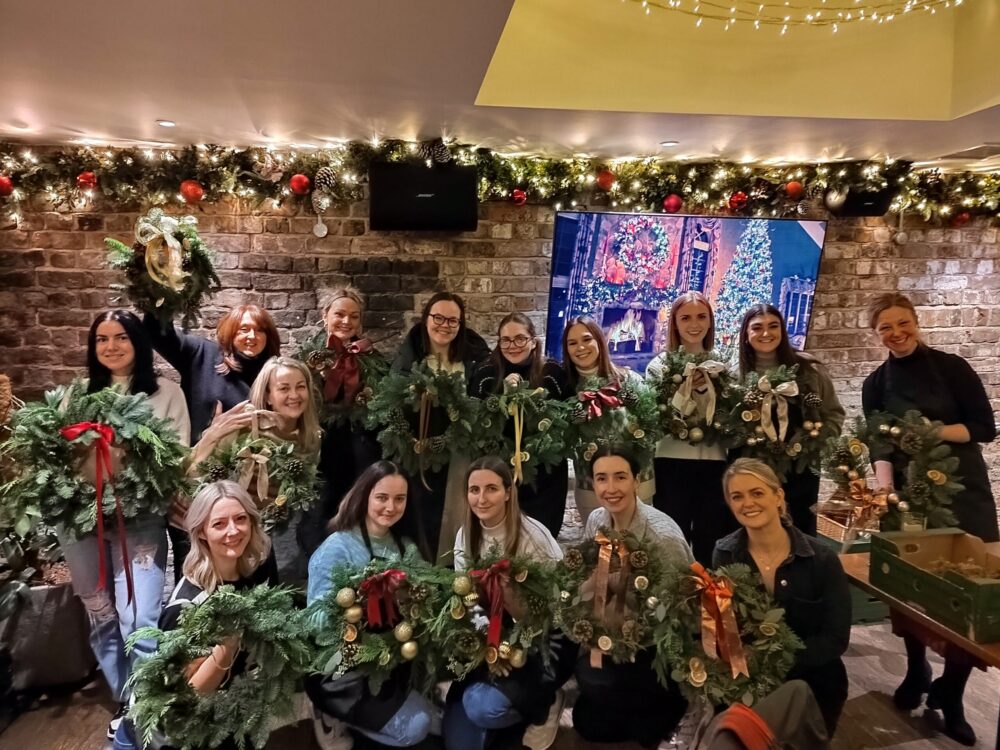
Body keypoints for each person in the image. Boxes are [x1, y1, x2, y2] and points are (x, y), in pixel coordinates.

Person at [863, 292, 998, 746]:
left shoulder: (953, 368)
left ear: (916, 323)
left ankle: (954, 693)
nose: (896, 333)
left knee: (965, 589)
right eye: (886, 327)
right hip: (910, 497)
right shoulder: (876, 383)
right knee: (909, 588)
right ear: (876, 333)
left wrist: (928, 433)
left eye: (903, 323)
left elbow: (984, 427)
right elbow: (879, 443)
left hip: (964, 493)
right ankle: (916, 665)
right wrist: (884, 490)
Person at [59, 310, 190, 741]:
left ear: (138, 343)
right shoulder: (76, 395)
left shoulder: (167, 392)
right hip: (81, 521)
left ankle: (144, 708)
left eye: (121, 338)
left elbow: (175, 455)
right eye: (101, 339)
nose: (111, 347)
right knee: (100, 610)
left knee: (141, 614)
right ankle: (126, 695)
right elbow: (58, 455)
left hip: (140, 518)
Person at [113, 480, 277, 750]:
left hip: (220, 713)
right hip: (171, 734)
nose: (233, 531)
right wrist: (228, 645)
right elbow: (187, 695)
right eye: (219, 524)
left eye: (240, 519)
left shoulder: (248, 577)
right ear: (201, 532)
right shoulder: (188, 605)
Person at [713, 458, 851, 737]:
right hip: (746, 677)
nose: (747, 503)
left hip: (812, 677)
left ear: (778, 496)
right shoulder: (724, 555)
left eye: (757, 493)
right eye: (737, 497)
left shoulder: (822, 560)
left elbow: (835, 639)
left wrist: (776, 662)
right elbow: (722, 625)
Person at [143, 304, 280, 579]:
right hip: (196, 489)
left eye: (259, 330)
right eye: (244, 329)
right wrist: (163, 287)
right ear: (230, 333)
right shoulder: (202, 354)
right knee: (199, 576)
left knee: (256, 573)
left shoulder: (273, 375)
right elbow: (157, 332)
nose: (252, 336)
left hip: (248, 494)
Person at [306, 461, 435, 749]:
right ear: (364, 496)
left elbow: (427, 596)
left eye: (399, 499)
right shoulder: (336, 548)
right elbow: (315, 623)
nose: (391, 507)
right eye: (382, 497)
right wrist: (359, 608)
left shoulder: (406, 547)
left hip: (392, 661)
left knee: (437, 721)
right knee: (418, 727)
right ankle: (331, 712)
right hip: (345, 668)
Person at [446, 456, 570, 750]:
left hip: (539, 639)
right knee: (458, 739)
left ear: (508, 492)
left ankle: (546, 703)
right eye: (474, 490)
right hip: (492, 633)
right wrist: (489, 642)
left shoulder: (533, 537)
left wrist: (514, 638)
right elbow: (468, 597)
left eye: (491, 489)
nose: (481, 498)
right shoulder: (466, 534)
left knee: (482, 709)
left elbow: (558, 605)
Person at [573, 445, 692, 747]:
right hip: (610, 631)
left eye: (620, 477)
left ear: (637, 480)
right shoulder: (597, 521)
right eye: (602, 478)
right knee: (586, 721)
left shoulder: (662, 537)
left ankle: (671, 709)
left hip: (654, 643)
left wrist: (629, 626)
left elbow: (680, 611)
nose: (611, 488)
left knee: (609, 701)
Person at [188, 356, 321, 577]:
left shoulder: (311, 437)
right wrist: (212, 436)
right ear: (268, 395)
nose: (294, 395)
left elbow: (300, 491)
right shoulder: (245, 425)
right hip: (232, 530)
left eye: (300, 387)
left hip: (276, 530)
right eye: (284, 388)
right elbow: (196, 474)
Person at [392, 292, 490, 560]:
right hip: (421, 449)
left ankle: (453, 564)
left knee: (455, 511)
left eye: (452, 320)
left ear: (461, 325)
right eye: (438, 318)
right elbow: (395, 397)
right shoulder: (411, 357)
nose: (444, 325)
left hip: (459, 449)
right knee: (422, 513)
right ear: (426, 320)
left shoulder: (472, 359)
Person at [735, 304, 844, 535]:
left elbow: (833, 413)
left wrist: (817, 440)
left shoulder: (809, 369)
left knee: (799, 534)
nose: (766, 333)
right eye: (757, 328)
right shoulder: (734, 376)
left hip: (801, 471)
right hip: (750, 472)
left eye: (773, 326)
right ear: (746, 335)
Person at [645, 292, 735, 565]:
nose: (693, 324)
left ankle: (709, 599)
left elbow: (733, 415)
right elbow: (653, 417)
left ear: (710, 322)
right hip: (670, 464)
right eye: (685, 318)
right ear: (674, 323)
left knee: (712, 536)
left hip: (714, 463)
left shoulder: (724, 366)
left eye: (701, 317)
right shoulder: (659, 367)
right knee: (674, 537)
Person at [299, 287, 385, 557]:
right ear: (325, 316)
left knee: (359, 515)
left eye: (354, 316)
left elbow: (384, 408)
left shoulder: (374, 361)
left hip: (362, 453)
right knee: (317, 516)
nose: (346, 322)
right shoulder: (308, 361)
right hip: (319, 453)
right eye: (339, 314)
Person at [469, 313, 570, 537]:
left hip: (546, 474)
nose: (512, 345)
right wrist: (501, 399)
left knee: (541, 536)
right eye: (505, 340)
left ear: (533, 341)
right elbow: (476, 423)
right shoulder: (486, 374)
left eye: (520, 338)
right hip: (501, 472)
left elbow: (566, 418)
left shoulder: (552, 372)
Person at [562, 316, 652, 524]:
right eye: (572, 343)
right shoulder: (566, 390)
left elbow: (651, 425)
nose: (581, 348)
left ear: (599, 341)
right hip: (591, 486)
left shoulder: (629, 380)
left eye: (587, 339)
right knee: (598, 547)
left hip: (637, 483)